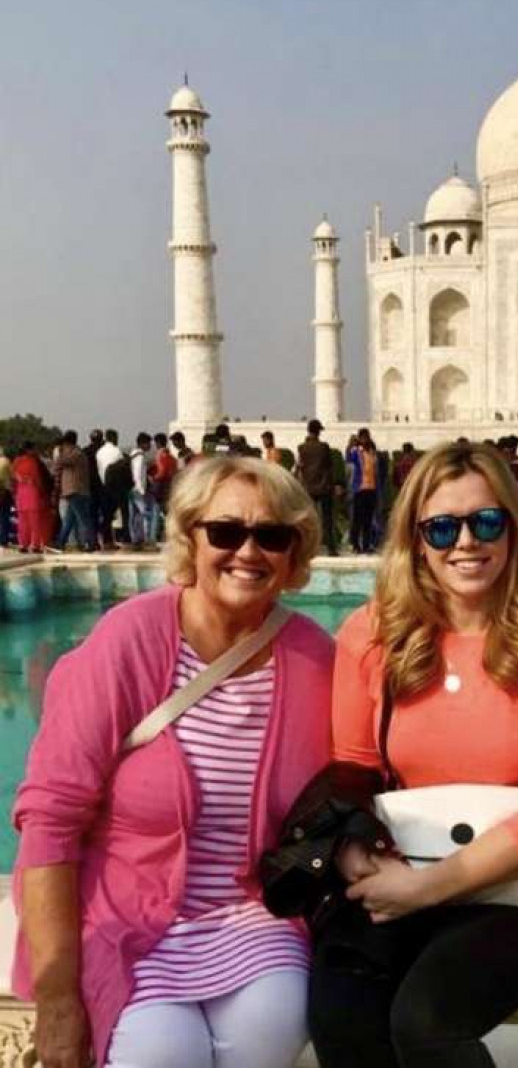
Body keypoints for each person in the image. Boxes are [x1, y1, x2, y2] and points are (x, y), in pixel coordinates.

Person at [12, 456, 331, 1068]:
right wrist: (58, 1000)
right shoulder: (129, 639)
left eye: (271, 536)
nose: (248, 551)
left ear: (294, 553)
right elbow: (51, 816)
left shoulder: (312, 656)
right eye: (226, 531)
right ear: (190, 537)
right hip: (125, 915)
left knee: (276, 1021)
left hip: (250, 916)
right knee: (161, 1052)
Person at [309, 441, 518, 1068]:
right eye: (442, 527)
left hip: (512, 893)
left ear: (514, 528)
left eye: (485, 522)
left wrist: (429, 890)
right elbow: (353, 766)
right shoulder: (373, 633)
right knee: (344, 1013)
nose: (464, 542)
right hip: (397, 866)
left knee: (428, 1023)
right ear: (417, 539)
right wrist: (356, 856)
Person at [297, 419, 341, 554]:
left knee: (309, 520)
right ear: (318, 432)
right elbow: (329, 467)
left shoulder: (302, 447)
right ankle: (331, 549)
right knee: (327, 520)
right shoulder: (323, 447)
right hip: (324, 487)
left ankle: (308, 549)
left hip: (308, 487)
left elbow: (300, 466)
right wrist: (335, 485)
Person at [52, 431, 96, 553]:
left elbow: (59, 462)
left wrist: (59, 450)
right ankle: (60, 543)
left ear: (67, 443)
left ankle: (91, 543)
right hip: (75, 491)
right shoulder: (76, 453)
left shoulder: (75, 454)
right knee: (68, 520)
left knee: (83, 519)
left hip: (76, 490)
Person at [12, 442, 52, 554]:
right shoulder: (32, 462)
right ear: (29, 450)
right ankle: (35, 545)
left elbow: (13, 480)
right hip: (32, 493)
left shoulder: (16, 462)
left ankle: (22, 544)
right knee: (34, 521)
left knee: (22, 521)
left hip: (20, 494)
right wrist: (43, 492)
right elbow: (37, 480)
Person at [347, 429, 381, 553]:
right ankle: (356, 545)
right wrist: (352, 445)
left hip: (371, 489)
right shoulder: (356, 452)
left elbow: (376, 470)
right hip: (359, 489)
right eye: (363, 438)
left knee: (368, 520)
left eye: (366, 437)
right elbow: (349, 459)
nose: (365, 440)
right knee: (357, 519)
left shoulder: (372, 452)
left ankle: (366, 545)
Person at [129, 432, 156, 547]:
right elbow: (137, 474)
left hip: (131, 489)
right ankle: (146, 538)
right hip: (138, 490)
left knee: (135, 516)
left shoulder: (133, 455)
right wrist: (141, 490)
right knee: (145, 514)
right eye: (148, 443)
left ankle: (136, 539)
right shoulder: (139, 457)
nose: (150, 446)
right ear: (143, 444)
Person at [0, 444, 13, 549]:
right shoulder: (6, 461)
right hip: (5, 491)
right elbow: (12, 475)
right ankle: (3, 541)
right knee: (5, 516)